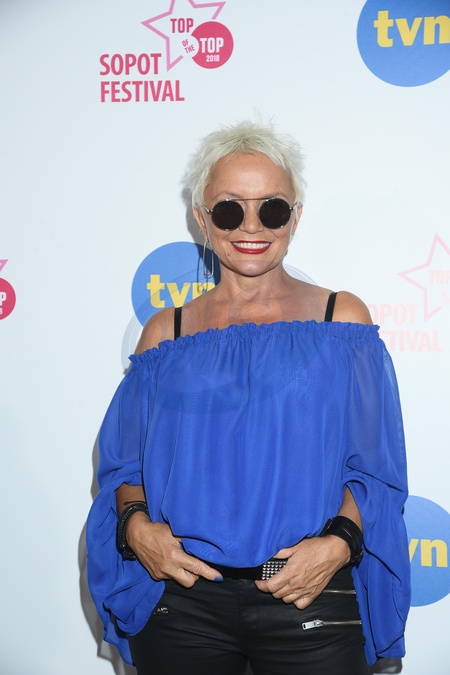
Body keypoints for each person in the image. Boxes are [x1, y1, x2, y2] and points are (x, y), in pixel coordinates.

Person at [86, 120, 410, 675]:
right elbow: (125, 463)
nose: (252, 226)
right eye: (230, 210)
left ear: (296, 216)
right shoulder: (166, 333)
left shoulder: (340, 320)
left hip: (309, 592)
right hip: (182, 601)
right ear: (202, 218)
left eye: (272, 209)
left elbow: (375, 465)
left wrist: (337, 545)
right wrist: (137, 527)